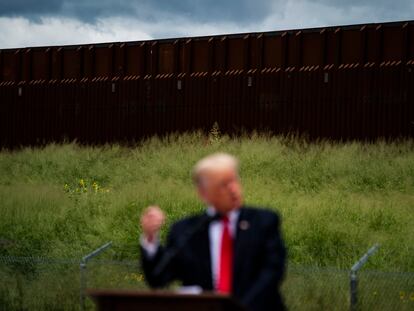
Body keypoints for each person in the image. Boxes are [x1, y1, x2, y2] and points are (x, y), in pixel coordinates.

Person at [139, 153, 287, 311]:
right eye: (224, 184)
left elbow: (272, 273)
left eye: (234, 180)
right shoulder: (186, 230)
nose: (233, 189)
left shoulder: (263, 221)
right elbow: (158, 278)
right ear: (204, 193)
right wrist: (150, 237)